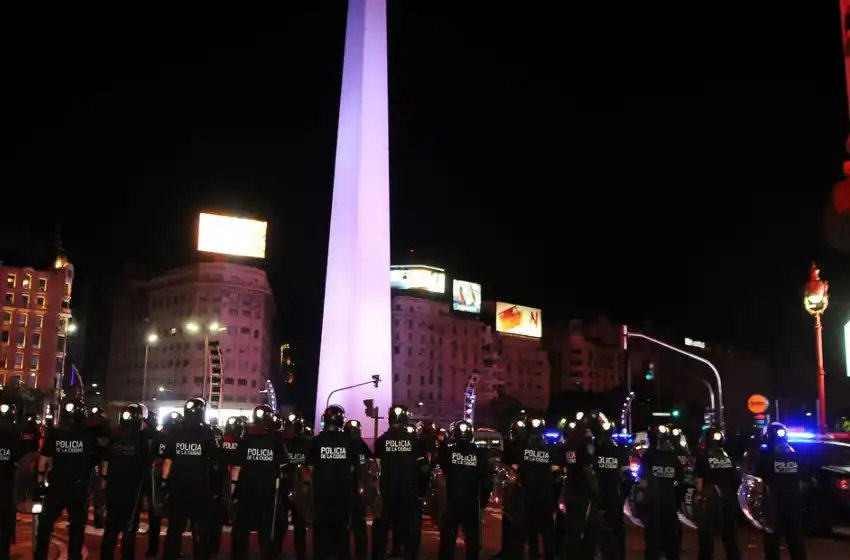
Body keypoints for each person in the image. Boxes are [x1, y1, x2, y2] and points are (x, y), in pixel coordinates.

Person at [35, 398, 96, 560]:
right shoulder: (88, 436)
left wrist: (40, 482)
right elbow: (96, 462)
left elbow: (43, 462)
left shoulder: (54, 434)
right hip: (78, 488)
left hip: (57, 486)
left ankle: (40, 556)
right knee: (76, 528)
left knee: (45, 526)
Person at [160, 398, 219, 560]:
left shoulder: (176, 432)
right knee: (199, 527)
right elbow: (215, 463)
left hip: (177, 487)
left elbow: (167, 461)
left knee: (175, 527)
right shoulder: (207, 433)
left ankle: (170, 555)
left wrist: (164, 483)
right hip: (200, 488)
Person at [230, 405, 289, 560]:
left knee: (241, 528)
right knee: (266, 529)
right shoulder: (276, 439)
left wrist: (231, 491)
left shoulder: (246, 438)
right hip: (268, 493)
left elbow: (236, 468)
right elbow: (284, 466)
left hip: (246, 491)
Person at [372, 405, 425, 560]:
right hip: (408, 493)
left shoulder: (381, 441)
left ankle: (380, 555)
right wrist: (421, 492)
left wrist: (376, 492)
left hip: (387, 492)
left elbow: (375, 468)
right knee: (409, 528)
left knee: (382, 526)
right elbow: (424, 469)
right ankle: (409, 554)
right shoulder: (414, 441)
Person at [307, 405, 360, 560]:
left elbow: (309, 467)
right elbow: (354, 467)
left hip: (321, 493)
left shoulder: (316, 441)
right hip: (342, 493)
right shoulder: (349, 442)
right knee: (341, 530)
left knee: (321, 530)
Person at [100, 403, 149, 560]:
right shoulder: (142, 440)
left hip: (115, 490)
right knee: (128, 531)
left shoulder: (114, 436)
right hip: (132, 493)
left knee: (111, 529)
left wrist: (103, 484)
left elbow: (105, 462)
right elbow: (146, 467)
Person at [437, 420, 492, 560]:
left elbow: (486, 478)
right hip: (459, 501)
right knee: (457, 537)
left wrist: (483, 500)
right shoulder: (452, 451)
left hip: (465, 501)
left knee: (466, 538)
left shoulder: (475, 453)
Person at [509, 415, 560, 560]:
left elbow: (514, 468)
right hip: (543, 495)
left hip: (528, 495)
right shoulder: (550, 448)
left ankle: (531, 553)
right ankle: (546, 555)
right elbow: (555, 469)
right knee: (546, 529)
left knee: (526, 529)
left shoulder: (520, 448)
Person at [755, 423, 807, 560]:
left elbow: (758, 476)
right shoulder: (792, 455)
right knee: (790, 541)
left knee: (779, 540)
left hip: (781, 504)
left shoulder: (769, 457)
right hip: (783, 504)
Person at [692, 426, 740, 560]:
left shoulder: (702, 459)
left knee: (706, 538)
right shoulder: (729, 459)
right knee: (730, 537)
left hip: (710, 502)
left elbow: (699, 484)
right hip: (728, 501)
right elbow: (737, 480)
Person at [638, 423, 684, 560]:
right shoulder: (674, 457)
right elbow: (680, 481)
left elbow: (642, 481)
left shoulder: (647, 457)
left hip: (653, 506)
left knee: (653, 541)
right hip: (670, 505)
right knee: (672, 540)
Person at [589, 411, 629, 560]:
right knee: (595, 529)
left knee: (617, 529)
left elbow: (627, 476)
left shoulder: (618, 450)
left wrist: (622, 494)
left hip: (610, 495)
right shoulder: (593, 449)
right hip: (598, 496)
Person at [561, 412, 599, 560]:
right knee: (586, 525)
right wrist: (595, 489)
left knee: (572, 526)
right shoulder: (586, 443)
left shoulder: (569, 443)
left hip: (570, 487)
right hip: (583, 489)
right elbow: (587, 466)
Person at [275, 411, 309, 560]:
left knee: (299, 525)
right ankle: (276, 551)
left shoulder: (307, 443)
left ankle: (300, 553)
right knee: (281, 522)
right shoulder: (280, 441)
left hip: (299, 488)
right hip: (284, 486)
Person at [344, 419, 372, 560]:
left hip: (358, 490)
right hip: (343, 489)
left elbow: (370, 461)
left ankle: (361, 553)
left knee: (359, 523)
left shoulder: (362, 446)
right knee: (342, 524)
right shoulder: (341, 444)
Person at [0, 403, 22, 559]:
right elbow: (18, 459)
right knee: (5, 525)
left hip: (7, 484)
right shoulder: (14, 435)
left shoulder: (14, 435)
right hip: (6, 486)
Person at [88, 406, 112, 528]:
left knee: (99, 495)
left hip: (100, 464)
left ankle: (99, 518)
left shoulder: (106, 430)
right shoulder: (88, 429)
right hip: (91, 464)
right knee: (95, 494)